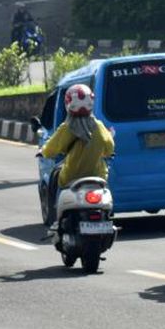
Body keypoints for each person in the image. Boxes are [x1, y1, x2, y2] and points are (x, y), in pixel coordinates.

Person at [37, 84, 115, 227]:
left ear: (68, 103)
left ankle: (56, 220)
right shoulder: (98, 125)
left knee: (54, 178)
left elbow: (51, 149)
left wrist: (43, 151)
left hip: (71, 176)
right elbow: (109, 147)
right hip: (98, 175)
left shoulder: (67, 127)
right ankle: (108, 214)